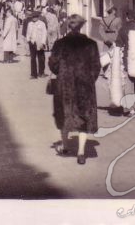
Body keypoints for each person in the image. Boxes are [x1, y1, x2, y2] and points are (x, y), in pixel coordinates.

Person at [48, 14, 100, 165]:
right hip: (85, 85)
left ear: (68, 26)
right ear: (82, 26)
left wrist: (62, 73)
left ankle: (65, 146)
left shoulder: (60, 44)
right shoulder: (91, 44)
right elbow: (96, 66)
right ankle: (81, 152)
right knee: (84, 116)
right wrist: (89, 79)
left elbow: (53, 64)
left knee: (64, 113)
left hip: (65, 85)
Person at [26, 10, 48, 78]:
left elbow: (44, 34)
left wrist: (43, 42)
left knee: (41, 58)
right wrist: (28, 40)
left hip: (40, 43)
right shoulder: (30, 24)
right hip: (32, 42)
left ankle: (41, 73)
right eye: (33, 17)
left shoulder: (42, 24)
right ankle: (33, 74)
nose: (34, 18)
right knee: (33, 59)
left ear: (38, 17)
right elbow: (28, 33)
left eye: (35, 17)